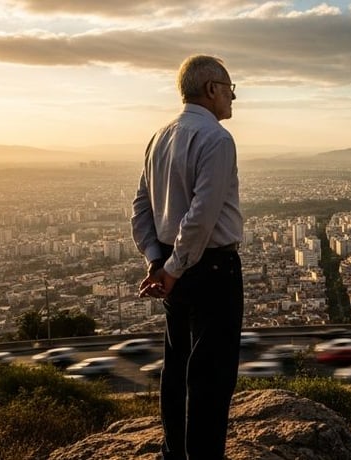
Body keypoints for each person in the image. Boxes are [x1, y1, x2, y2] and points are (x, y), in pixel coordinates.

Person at [131, 54, 243, 460]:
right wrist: (174, 269)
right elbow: (202, 215)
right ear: (212, 89)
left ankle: (173, 453)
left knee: (177, 368)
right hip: (210, 268)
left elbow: (140, 208)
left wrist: (155, 261)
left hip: (171, 267)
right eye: (231, 88)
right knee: (211, 375)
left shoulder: (159, 136)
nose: (234, 98)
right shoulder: (216, 138)